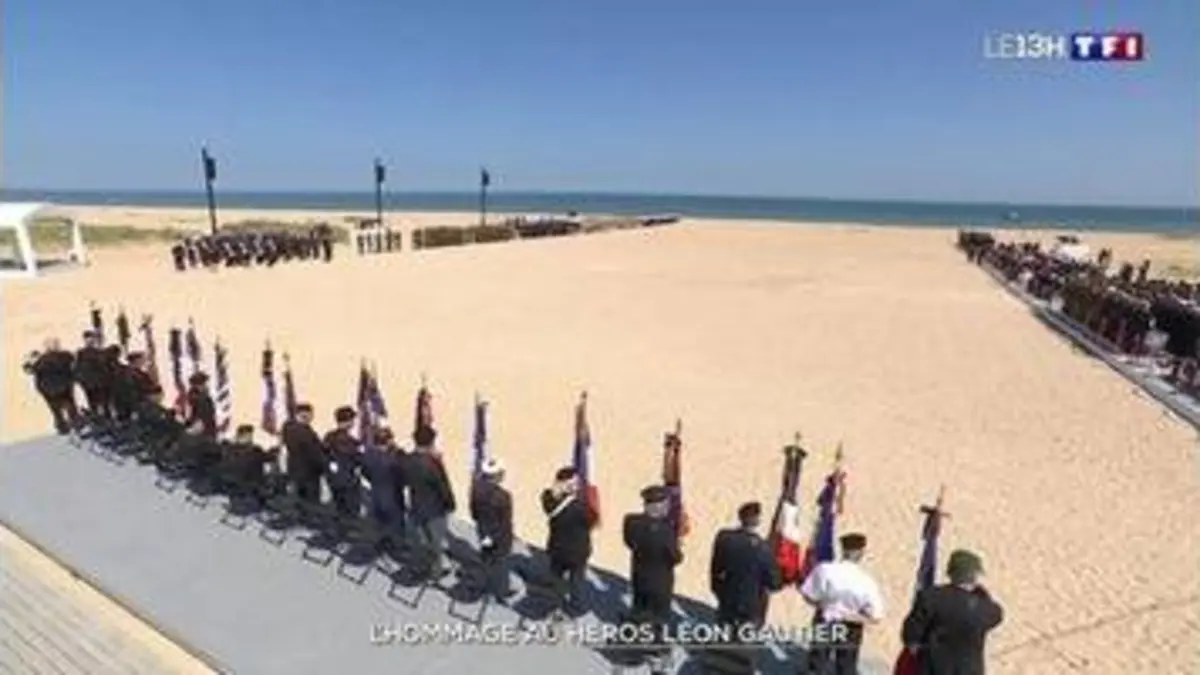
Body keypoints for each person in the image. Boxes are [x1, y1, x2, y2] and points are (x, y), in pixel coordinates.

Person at [901, 549, 1003, 675]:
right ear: (974, 576)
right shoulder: (981, 607)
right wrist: (983, 594)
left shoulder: (930, 597)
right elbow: (997, 615)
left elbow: (911, 635)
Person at [800, 532, 885, 675]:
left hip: (826, 619)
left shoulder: (825, 570)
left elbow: (807, 594)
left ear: (843, 550)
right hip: (851, 626)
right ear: (861, 553)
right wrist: (851, 616)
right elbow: (876, 616)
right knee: (846, 666)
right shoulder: (866, 582)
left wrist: (823, 606)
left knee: (817, 662)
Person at [622, 485, 683, 675]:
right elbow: (675, 558)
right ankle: (656, 655)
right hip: (660, 582)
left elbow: (629, 542)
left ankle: (634, 652)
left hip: (639, 576)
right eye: (665, 503)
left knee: (639, 612)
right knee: (659, 619)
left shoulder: (631, 521)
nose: (667, 507)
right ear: (656, 506)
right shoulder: (666, 531)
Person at [709, 501, 782, 629]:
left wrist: (718, 591)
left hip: (727, 598)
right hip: (751, 606)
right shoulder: (763, 549)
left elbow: (715, 568)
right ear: (757, 521)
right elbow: (774, 583)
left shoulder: (724, 538)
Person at [541, 466, 595, 615]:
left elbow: (549, 500)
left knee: (556, 578)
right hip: (577, 551)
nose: (578, 485)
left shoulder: (547, 498)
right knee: (577, 580)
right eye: (575, 482)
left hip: (557, 547)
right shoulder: (580, 507)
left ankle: (554, 604)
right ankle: (576, 608)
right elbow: (591, 520)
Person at [407, 426, 457, 575]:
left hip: (416, 505)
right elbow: (442, 486)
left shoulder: (407, 459)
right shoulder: (432, 464)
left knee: (422, 539)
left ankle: (422, 564)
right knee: (436, 540)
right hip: (434, 510)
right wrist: (450, 504)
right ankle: (436, 570)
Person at [470, 457, 515, 601]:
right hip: (499, 535)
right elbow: (506, 520)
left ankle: (484, 584)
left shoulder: (476, 489)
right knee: (501, 562)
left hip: (484, 530)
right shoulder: (503, 496)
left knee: (487, 558)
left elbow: (474, 512)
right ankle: (501, 592)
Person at [361, 426, 407, 543]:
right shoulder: (395, 457)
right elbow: (403, 475)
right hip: (393, 496)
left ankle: (381, 542)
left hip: (376, 493)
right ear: (388, 440)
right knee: (396, 523)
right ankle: (396, 545)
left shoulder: (368, 455)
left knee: (379, 522)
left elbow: (365, 472)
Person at [23, 338, 80, 434]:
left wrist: (29, 364)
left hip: (47, 389)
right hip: (64, 385)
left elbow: (30, 370)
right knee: (70, 402)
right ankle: (75, 421)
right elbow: (75, 359)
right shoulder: (64, 355)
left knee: (55, 408)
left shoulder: (41, 360)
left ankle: (62, 426)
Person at [322, 406, 364, 518]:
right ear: (348, 421)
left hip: (333, 481)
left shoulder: (329, 437)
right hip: (348, 483)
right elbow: (357, 459)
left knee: (339, 512)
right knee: (350, 515)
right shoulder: (348, 441)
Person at [282, 403, 325, 503]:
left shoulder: (288, 428)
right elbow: (312, 451)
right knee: (310, 503)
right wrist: (323, 465)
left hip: (295, 471)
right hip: (309, 473)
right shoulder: (303, 431)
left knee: (299, 502)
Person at [74, 330, 114, 419]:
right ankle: (98, 419)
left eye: (92, 338)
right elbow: (77, 368)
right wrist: (81, 380)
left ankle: (107, 419)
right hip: (90, 383)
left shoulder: (102, 352)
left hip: (102, 382)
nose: (90, 341)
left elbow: (108, 366)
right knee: (93, 403)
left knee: (105, 403)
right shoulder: (81, 353)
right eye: (88, 339)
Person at [184, 372, 217, 439]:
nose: (205, 385)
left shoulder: (202, 396)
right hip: (202, 429)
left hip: (206, 428)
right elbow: (196, 414)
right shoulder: (197, 397)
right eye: (203, 383)